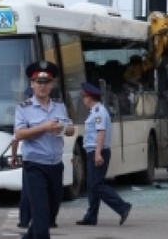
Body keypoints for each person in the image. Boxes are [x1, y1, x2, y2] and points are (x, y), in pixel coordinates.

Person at [14, 61, 75, 239]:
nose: (42, 86)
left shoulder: (59, 106)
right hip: (35, 165)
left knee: (50, 213)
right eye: (38, 82)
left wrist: (61, 128)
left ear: (52, 84)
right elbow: (19, 134)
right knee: (40, 215)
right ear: (32, 84)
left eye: (46, 82)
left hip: (55, 164)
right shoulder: (23, 108)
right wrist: (43, 127)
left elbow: (71, 130)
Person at [76, 82, 132, 226]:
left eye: (85, 97)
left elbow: (101, 132)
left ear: (90, 98)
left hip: (97, 151)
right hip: (93, 151)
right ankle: (91, 216)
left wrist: (98, 153)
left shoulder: (98, 112)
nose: (83, 100)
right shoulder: (96, 111)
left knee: (96, 185)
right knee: (92, 186)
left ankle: (122, 206)